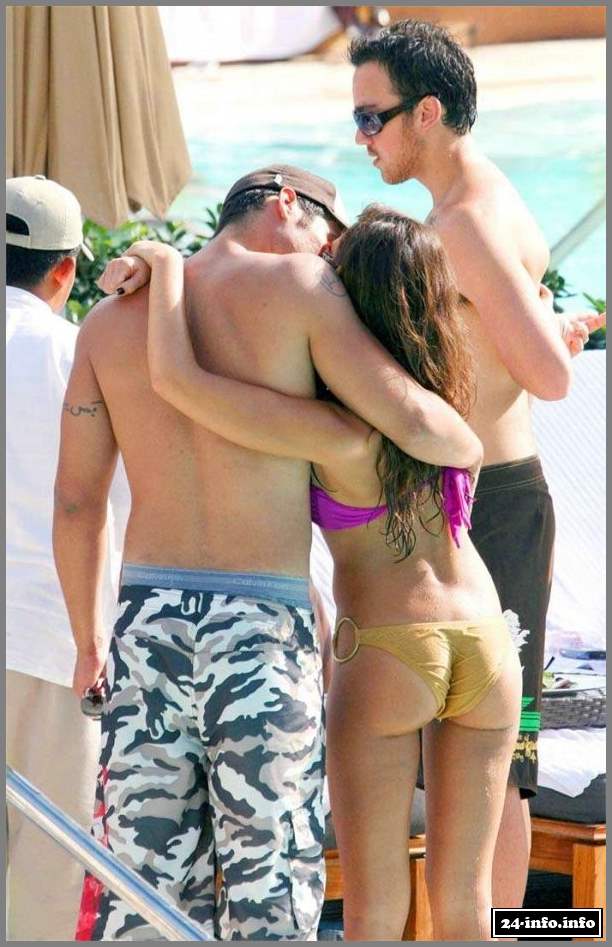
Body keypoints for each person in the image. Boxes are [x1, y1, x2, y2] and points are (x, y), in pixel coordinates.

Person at [53, 166, 481, 942]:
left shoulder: (108, 322)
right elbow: (416, 423)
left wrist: (89, 641)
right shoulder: (302, 288)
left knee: (143, 893)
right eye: (330, 234)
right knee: (271, 890)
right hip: (260, 626)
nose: (332, 253)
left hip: (144, 624)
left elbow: (79, 503)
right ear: (289, 204)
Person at [347, 19, 605, 908]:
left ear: (426, 113)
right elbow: (513, 334)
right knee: (490, 754)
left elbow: (548, 377)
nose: (362, 138)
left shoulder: (463, 223)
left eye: (372, 118)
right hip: (489, 501)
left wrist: (540, 338)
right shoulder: (483, 197)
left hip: (492, 508)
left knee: (497, 761)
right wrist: (544, 324)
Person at [5, 175, 101, 940]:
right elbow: (103, 506)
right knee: (45, 868)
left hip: (46, 636)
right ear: (65, 269)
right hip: (51, 638)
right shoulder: (78, 357)